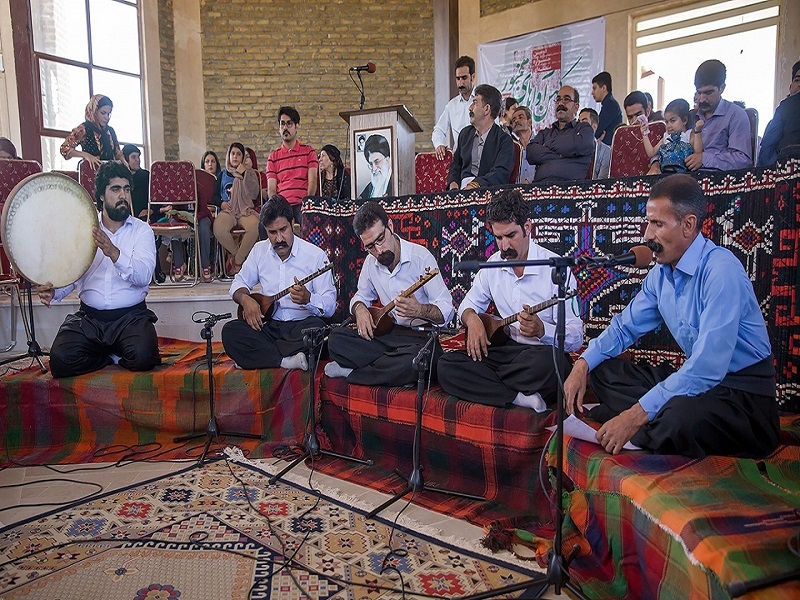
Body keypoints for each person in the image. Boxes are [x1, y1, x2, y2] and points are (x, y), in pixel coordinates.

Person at [563, 174, 779, 458]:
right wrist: (582, 364)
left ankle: (637, 426)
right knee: (604, 371)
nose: (647, 236)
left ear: (688, 225)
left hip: (742, 398)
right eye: (648, 222)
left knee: (681, 417)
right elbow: (623, 329)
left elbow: (707, 368)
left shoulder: (721, 271)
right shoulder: (660, 275)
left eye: (658, 224)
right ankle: (649, 424)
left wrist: (636, 414)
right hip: (699, 386)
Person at [437, 189, 582, 409]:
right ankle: (518, 397)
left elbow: (576, 337)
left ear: (527, 228)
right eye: (498, 238)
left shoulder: (557, 268)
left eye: (511, 236)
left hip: (539, 355)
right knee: (446, 365)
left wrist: (542, 330)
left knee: (554, 367)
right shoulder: (492, 265)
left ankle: (491, 386)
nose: (504, 246)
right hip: (507, 352)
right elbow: (467, 305)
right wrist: (472, 320)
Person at [37, 161, 160, 378]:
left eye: (126, 189)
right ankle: (109, 356)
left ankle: (110, 352)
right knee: (60, 359)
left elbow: (143, 277)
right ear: (102, 195)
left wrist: (113, 252)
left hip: (130, 317)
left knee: (143, 356)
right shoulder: (84, 230)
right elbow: (74, 275)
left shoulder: (142, 231)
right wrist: (54, 292)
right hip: (89, 319)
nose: (123, 195)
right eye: (115, 189)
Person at [325, 201, 455, 387]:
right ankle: (391, 372)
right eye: (370, 246)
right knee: (336, 339)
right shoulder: (371, 263)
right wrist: (360, 310)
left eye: (380, 239)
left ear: (391, 227)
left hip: (420, 338)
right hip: (389, 336)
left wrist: (420, 310)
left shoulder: (421, 257)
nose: (379, 250)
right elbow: (360, 297)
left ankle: (354, 373)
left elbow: (447, 311)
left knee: (419, 361)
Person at [221, 195, 336, 370]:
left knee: (319, 332)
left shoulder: (315, 256)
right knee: (230, 332)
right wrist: (245, 300)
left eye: (283, 229)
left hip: (301, 327)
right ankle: (286, 360)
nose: (279, 238)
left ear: (292, 223)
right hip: (270, 326)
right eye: (272, 232)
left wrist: (308, 299)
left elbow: (330, 306)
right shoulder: (259, 251)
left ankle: (260, 356)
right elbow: (239, 282)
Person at [688, 59, 752, 171]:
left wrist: (704, 159)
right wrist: (656, 163)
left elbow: (742, 160)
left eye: (708, 93)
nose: (702, 99)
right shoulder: (691, 116)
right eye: (699, 93)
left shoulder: (735, 115)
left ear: (722, 88)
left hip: (719, 179)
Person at [447, 83, 514, 190]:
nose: (470, 108)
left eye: (474, 103)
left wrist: (476, 185)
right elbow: (456, 166)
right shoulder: (465, 134)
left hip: (487, 190)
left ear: (486, 109)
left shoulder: (504, 140)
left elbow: (500, 173)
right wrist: (453, 184)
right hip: (461, 190)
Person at [527, 85, 594, 182]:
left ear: (576, 107)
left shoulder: (584, 128)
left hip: (571, 187)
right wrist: (561, 155)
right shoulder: (545, 133)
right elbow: (531, 154)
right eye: (558, 100)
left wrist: (548, 145)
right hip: (540, 186)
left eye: (566, 99)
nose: (561, 103)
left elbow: (580, 145)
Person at [212, 142, 260, 276]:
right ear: (228, 156)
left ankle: (237, 262)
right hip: (229, 210)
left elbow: (254, 194)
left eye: (238, 154)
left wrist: (244, 174)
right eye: (232, 153)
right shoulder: (223, 174)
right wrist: (221, 203)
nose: (235, 157)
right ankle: (237, 256)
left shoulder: (250, 173)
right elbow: (214, 196)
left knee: (255, 226)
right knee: (219, 228)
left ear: (243, 157)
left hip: (245, 210)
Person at [266, 106, 318, 227]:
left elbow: (313, 182)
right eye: (282, 124)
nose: (285, 127)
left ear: (297, 126)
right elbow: (271, 190)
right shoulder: (273, 157)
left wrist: (307, 204)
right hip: (282, 205)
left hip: (302, 204)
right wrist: (279, 208)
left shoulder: (308, 151)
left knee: (309, 222)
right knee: (264, 223)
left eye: (289, 124)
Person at [60, 95, 124, 168]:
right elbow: (65, 149)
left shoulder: (110, 131)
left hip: (110, 171)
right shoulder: (83, 129)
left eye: (109, 114)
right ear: (94, 111)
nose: (106, 117)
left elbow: (117, 153)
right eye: (103, 113)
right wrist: (85, 155)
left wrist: (123, 161)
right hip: (91, 171)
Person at [432, 55, 477, 160]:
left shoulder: (483, 100)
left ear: (473, 77)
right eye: (458, 79)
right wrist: (439, 144)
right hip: (460, 161)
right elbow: (438, 130)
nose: (460, 83)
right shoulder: (451, 106)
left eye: (464, 78)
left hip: (481, 158)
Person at [643, 99, 704, 175]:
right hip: (664, 174)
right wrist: (644, 134)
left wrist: (697, 132)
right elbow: (651, 153)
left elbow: (698, 152)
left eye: (673, 121)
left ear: (684, 120)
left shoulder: (688, 135)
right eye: (666, 122)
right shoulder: (666, 137)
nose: (668, 126)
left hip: (684, 175)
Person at [757, 60, 800, 167]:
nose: (799, 85)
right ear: (790, 87)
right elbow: (766, 155)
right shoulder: (782, 110)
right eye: (797, 80)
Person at [578, 108, 611, 179]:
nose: (579, 126)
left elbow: (602, 181)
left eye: (584, 122)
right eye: (578, 122)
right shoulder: (572, 147)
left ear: (594, 127)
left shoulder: (605, 151)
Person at [591, 71, 622, 144]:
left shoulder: (610, 105)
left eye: (594, 88)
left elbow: (597, 130)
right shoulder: (609, 103)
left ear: (604, 88)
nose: (592, 92)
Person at [358, 134, 393, 199]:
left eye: (377, 162)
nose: (374, 169)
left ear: (387, 160)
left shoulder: (396, 184)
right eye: (371, 164)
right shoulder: (371, 186)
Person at [122, 144, 150, 221]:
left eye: (138, 157)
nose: (137, 160)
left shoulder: (146, 175)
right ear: (126, 159)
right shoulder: (121, 177)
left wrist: (149, 210)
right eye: (133, 157)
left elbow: (154, 197)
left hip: (146, 216)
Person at [511, 106, 536, 183]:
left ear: (530, 122)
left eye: (520, 117)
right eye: (514, 120)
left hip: (538, 187)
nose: (516, 121)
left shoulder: (540, 142)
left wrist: (529, 180)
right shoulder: (512, 148)